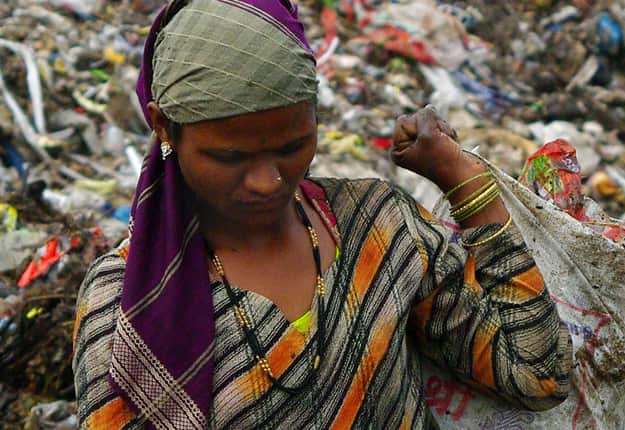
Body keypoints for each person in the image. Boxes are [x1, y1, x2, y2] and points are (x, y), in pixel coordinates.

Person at [71, 0, 572, 428]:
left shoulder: (379, 227)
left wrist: (464, 182)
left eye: (293, 145)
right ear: (163, 125)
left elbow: (537, 374)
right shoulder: (124, 306)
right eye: (230, 157)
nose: (267, 180)